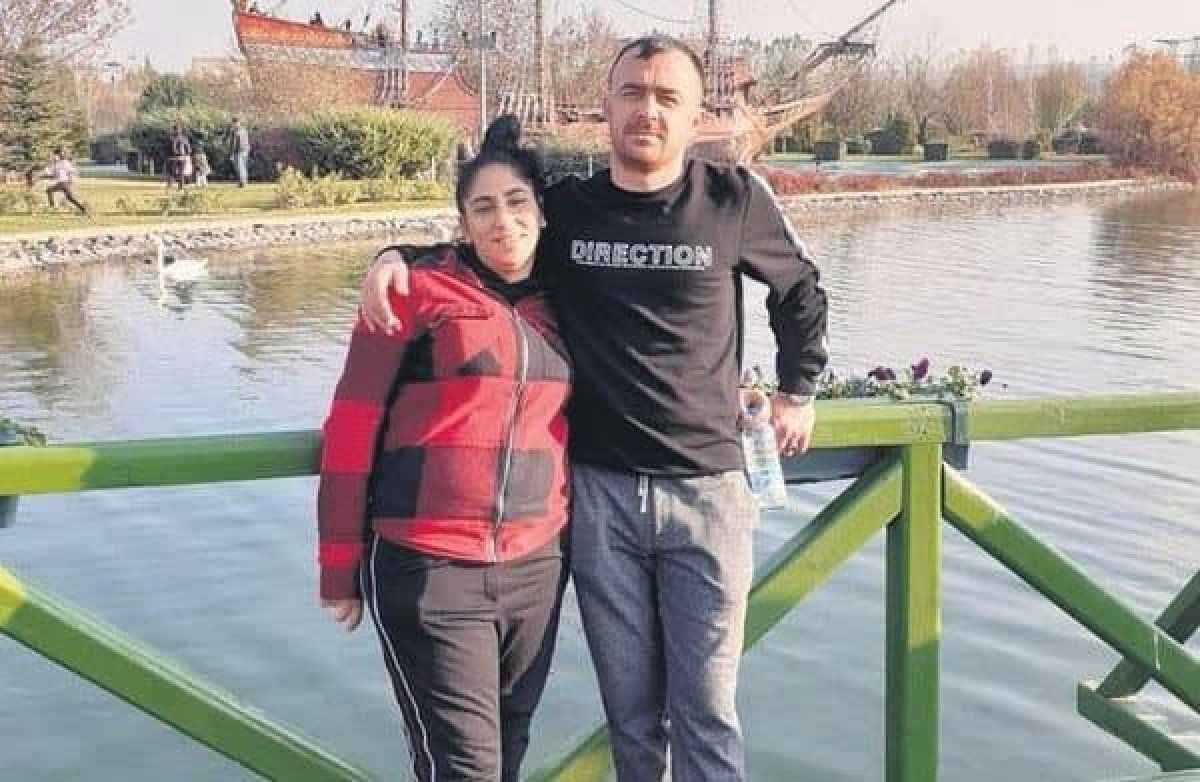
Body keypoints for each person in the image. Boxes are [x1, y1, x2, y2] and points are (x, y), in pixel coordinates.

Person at [362, 36, 828, 781]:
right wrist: (395, 258)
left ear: (695, 113)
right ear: (607, 106)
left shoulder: (732, 200)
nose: (649, 110)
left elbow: (799, 290)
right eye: (633, 92)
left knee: (707, 711)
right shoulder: (570, 211)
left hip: (707, 492)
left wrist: (797, 391)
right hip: (599, 495)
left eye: (667, 97)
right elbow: (488, 241)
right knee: (631, 716)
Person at [318, 116, 572, 782]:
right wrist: (338, 566)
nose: (503, 221)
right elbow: (349, 431)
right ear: (462, 224)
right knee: (464, 769)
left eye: (517, 202)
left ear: (543, 212)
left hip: (536, 567)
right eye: (483, 208)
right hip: (428, 567)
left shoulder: (568, 299)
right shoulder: (413, 294)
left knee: (508, 753)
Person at [42, 147, 90, 217]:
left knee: (49, 190)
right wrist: (43, 176)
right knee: (70, 198)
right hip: (64, 183)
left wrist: (71, 178)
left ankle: (52, 207)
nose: (53, 157)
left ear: (57, 155)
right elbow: (53, 175)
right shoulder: (57, 164)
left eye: (54, 155)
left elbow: (71, 171)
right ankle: (83, 210)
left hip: (63, 182)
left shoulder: (63, 163)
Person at [166, 124, 191, 191]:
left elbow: (168, 149)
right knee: (181, 173)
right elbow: (189, 150)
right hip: (182, 157)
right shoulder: (184, 138)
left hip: (172, 158)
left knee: (171, 172)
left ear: (173, 130)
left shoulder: (170, 138)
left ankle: (169, 186)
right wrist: (186, 155)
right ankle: (181, 187)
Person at [230, 117, 250, 188]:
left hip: (241, 150)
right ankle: (242, 182)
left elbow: (238, 142)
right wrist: (232, 153)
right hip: (240, 150)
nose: (235, 124)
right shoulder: (234, 131)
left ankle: (242, 182)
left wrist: (233, 153)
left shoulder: (240, 131)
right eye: (234, 123)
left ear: (238, 123)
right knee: (240, 167)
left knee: (240, 167)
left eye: (236, 123)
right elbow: (232, 143)